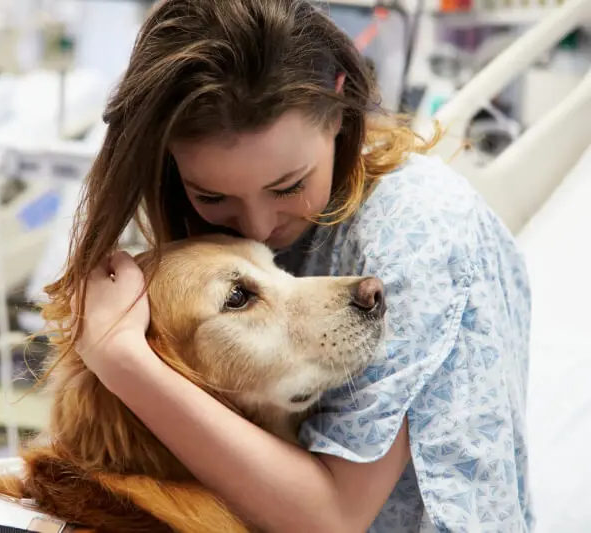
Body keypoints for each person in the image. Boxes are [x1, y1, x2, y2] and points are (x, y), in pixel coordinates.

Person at [48, 0, 532, 531]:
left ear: (341, 111)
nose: (254, 227)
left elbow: (334, 520)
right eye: (212, 195)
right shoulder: (189, 229)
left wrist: (122, 363)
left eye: (289, 187)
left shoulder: (419, 230)